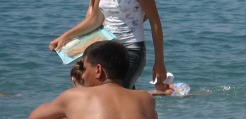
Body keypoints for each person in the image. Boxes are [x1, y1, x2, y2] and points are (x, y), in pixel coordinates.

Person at [29, 40, 157, 119]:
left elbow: (35, 117)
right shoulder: (145, 98)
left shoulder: (75, 96)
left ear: (98, 70)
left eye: (85, 69)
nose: (83, 76)